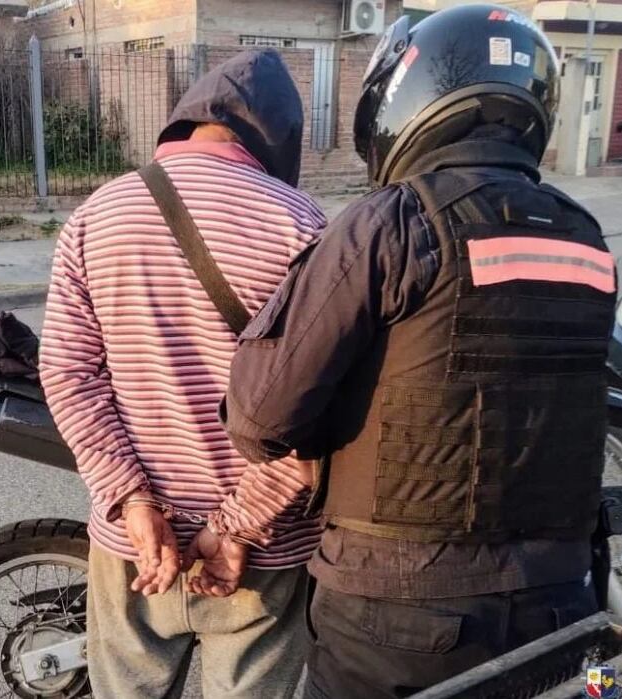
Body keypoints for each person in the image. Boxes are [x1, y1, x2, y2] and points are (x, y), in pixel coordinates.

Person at [212, 5, 618, 698]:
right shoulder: (582, 236)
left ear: (406, 98)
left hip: (396, 615)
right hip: (557, 603)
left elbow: (258, 418)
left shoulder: (390, 222)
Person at [39, 49, 326, 699]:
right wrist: (231, 527)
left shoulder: (95, 217)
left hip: (136, 547)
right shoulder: (301, 225)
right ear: (277, 136)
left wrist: (134, 502)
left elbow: (67, 370)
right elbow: (321, 409)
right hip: (265, 554)